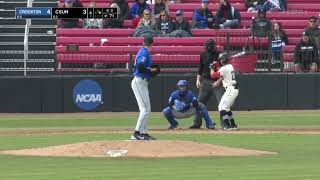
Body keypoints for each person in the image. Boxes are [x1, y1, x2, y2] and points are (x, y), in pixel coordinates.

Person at [131, 35, 160, 140]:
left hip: (142, 82)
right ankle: (136, 133)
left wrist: (151, 71)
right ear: (152, 43)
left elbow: (142, 67)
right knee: (145, 109)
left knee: (147, 109)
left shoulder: (144, 51)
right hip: (139, 81)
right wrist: (151, 71)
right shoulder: (144, 52)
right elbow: (139, 67)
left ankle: (143, 132)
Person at [190, 39, 224, 129]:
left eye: (211, 45)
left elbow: (224, 71)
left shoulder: (219, 55)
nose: (209, 47)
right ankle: (197, 123)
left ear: (214, 46)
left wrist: (218, 81)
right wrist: (198, 80)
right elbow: (200, 68)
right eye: (208, 45)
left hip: (217, 82)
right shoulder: (203, 54)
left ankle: (224, 123)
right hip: (205, 81)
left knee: (222, 103)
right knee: (199, 102)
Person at [211, 53, 239, 130]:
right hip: (233, 88)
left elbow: (213, 75)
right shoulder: (230, 66)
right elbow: (222, 71)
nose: (220, 61)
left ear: (223, 60)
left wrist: (211, 68)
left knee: (221, 107)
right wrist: (216, 66)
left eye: (220, 60)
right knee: (226, 108)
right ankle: (233, 124)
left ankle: (227, 125)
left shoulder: (224, 68)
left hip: (230, 89)